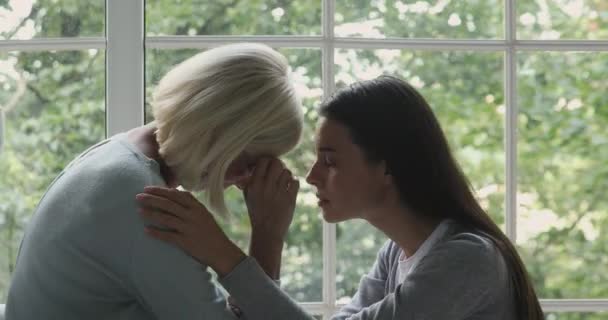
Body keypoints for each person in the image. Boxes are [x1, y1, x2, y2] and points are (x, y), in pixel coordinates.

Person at [138, 75, 545, 319]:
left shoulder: (467, 259)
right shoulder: (395, 256)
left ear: (387, 166)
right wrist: (267, 236)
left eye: (329, 161)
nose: (312, 176)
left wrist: (223, 255)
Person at [6, 42, 304, 319]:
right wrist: (268, 236)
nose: (244, 182)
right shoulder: (142, 201)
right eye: (250, 163)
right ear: (219, 135)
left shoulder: (117, 157)